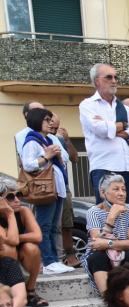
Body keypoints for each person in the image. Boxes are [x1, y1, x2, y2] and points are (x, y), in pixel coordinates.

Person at [20, 108, 75, 275]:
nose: (51, 123)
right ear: (36, 121)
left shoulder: (46, 140)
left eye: (51, 119)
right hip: (44, 188)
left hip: (56, 188)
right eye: (46, 119)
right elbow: (28, 164)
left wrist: (54, 155)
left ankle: (54, 260)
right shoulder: (32, 141)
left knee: (53, 226)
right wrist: (47, 156)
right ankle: (47, 261)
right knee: (44, 225)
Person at [78, 64, 129, 204]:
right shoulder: (88, 105)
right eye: (109, 77)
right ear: (96, 81)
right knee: (107, 215)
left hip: (128, 167)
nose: (114, 81)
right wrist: (122, 125)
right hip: (104, 167)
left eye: (115, 77)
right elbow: (100, 129)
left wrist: (109, 126)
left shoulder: (124, 108)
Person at [82, 174, 129, 294]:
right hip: (101, 254)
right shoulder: (93, 212)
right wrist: (111, 218)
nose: (121, 193)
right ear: (103, 192)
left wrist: (108, 243)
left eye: (124, 189)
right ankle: (109, 300)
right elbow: (96, 244)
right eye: (116, 189)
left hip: (124, 252)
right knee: (97, 257)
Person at [47, 113, 82, 269]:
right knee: (49, 224)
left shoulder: (59, 139)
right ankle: (52, 258)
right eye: (51, 123)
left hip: (64, 187)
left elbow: (75, 159)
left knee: (67, 223)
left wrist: (67, 139)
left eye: (57, 125)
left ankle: (69, 255)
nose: (54, 127)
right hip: (47, 185)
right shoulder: (37, 137)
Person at [0, 188, 44, 307]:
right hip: (4, 257)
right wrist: (9, 214)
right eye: (10, 197)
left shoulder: (24, 210)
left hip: (20, 252)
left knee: (32, 248)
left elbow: (38, 236)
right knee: (8, 248)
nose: (17, 200)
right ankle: (11, 292)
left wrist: (13, 236)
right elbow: (10, 241)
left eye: (18, 195)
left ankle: (30, 290)